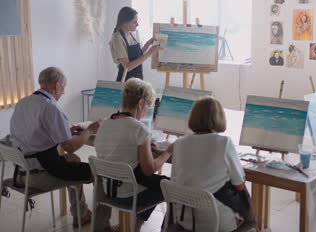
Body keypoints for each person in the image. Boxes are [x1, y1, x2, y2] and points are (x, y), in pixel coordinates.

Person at [10, 67, 100, 228]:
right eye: (63, 88)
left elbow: (37, 133)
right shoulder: (50, 107)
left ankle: (81, 213)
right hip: (39, 176)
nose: (63, 93)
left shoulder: (23, 103)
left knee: (73, 160)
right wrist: (90, 130)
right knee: (97, 173)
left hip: (21, 173)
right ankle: (102, 223)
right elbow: (70, 146)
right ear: (57, 85)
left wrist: (67, 130)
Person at [93, 78, 173, 231]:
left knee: (155, 182)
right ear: (140, 103)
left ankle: (134, 225)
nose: (144, 114)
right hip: (129, 197)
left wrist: (143, 146)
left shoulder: (104, 124)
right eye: (147, 109)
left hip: (107, 193)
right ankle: (138, 225)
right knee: (170, 188)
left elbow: (119, 149)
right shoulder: (139, 129)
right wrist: (168, 152)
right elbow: (149, 170)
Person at [171, 97, 255, 231]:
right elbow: (239, 184)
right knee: (246, 206)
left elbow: (174, 179)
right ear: (219, 117)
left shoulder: (179, 143)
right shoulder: (224, 143)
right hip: (217, 222)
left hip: (185, 220)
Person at [109, 6, 160, 82]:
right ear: (125, 22)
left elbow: (138, 56)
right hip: (126, 82)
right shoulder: (117, 38)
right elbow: (127, 66)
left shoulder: (131, 34)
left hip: (137, 80)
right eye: (134, 22)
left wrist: (148, 44)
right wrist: (149, 53)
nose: (137, 24)